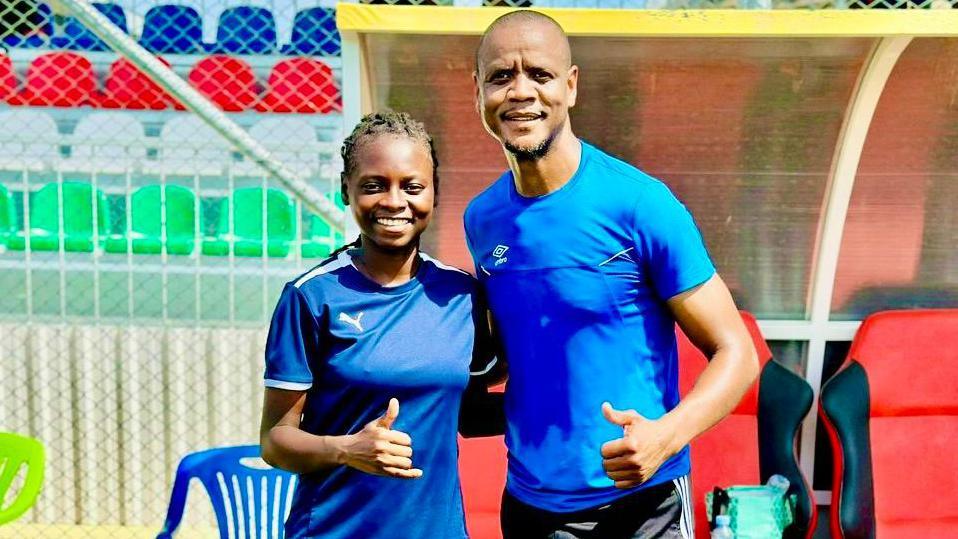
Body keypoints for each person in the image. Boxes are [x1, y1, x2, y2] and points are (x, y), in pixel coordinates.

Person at [464, 10, 760, 539]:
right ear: (479, 90)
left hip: (643, 507)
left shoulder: (641, 204)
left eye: (540, 74)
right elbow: (519, 351)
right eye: (501, 77)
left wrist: (664, 438)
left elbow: (736, 353)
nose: (520, 92)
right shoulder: (482, 219)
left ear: (571, 86)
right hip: (529, 504)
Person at [260, 111, 503, 539]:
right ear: (345, 190)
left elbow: (466, 411)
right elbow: (276, 441)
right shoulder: (311, 297)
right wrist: (346, 449)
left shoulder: (460, 295)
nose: (394, 201)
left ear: (434, 192)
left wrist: (570, 403)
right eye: (374, 185)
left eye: (412, 186)